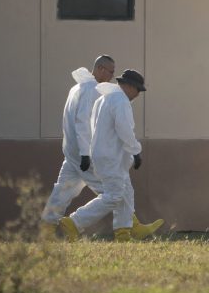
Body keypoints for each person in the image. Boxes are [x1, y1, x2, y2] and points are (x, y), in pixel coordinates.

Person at [45, 62, 162, 241]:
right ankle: (76, 222)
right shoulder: (118, 100)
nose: (138, 94)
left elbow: (92, 126)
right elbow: (121, 129)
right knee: (114, 195)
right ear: (129, 86)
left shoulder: (100, 97)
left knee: (124, 190)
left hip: (91, 154)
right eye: (138, 90)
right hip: (107, 157)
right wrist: (136, 151)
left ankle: (125, 230)